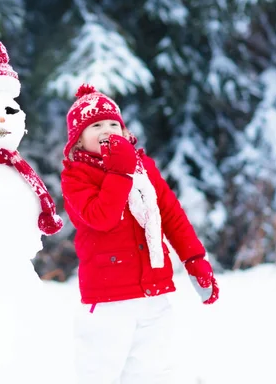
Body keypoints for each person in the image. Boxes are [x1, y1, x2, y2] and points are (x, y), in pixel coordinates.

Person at [60, 83, 219, 384]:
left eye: (113, 124)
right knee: (101, 373)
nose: (107, 130)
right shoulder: (76, 175)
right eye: (96, 125)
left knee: (154, 372)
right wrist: (119, 173)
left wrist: (195, 259)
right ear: (78, 141)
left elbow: (171, 213)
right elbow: (101, 218)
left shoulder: (142, 166)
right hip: (108, 299)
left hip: (154, 293)